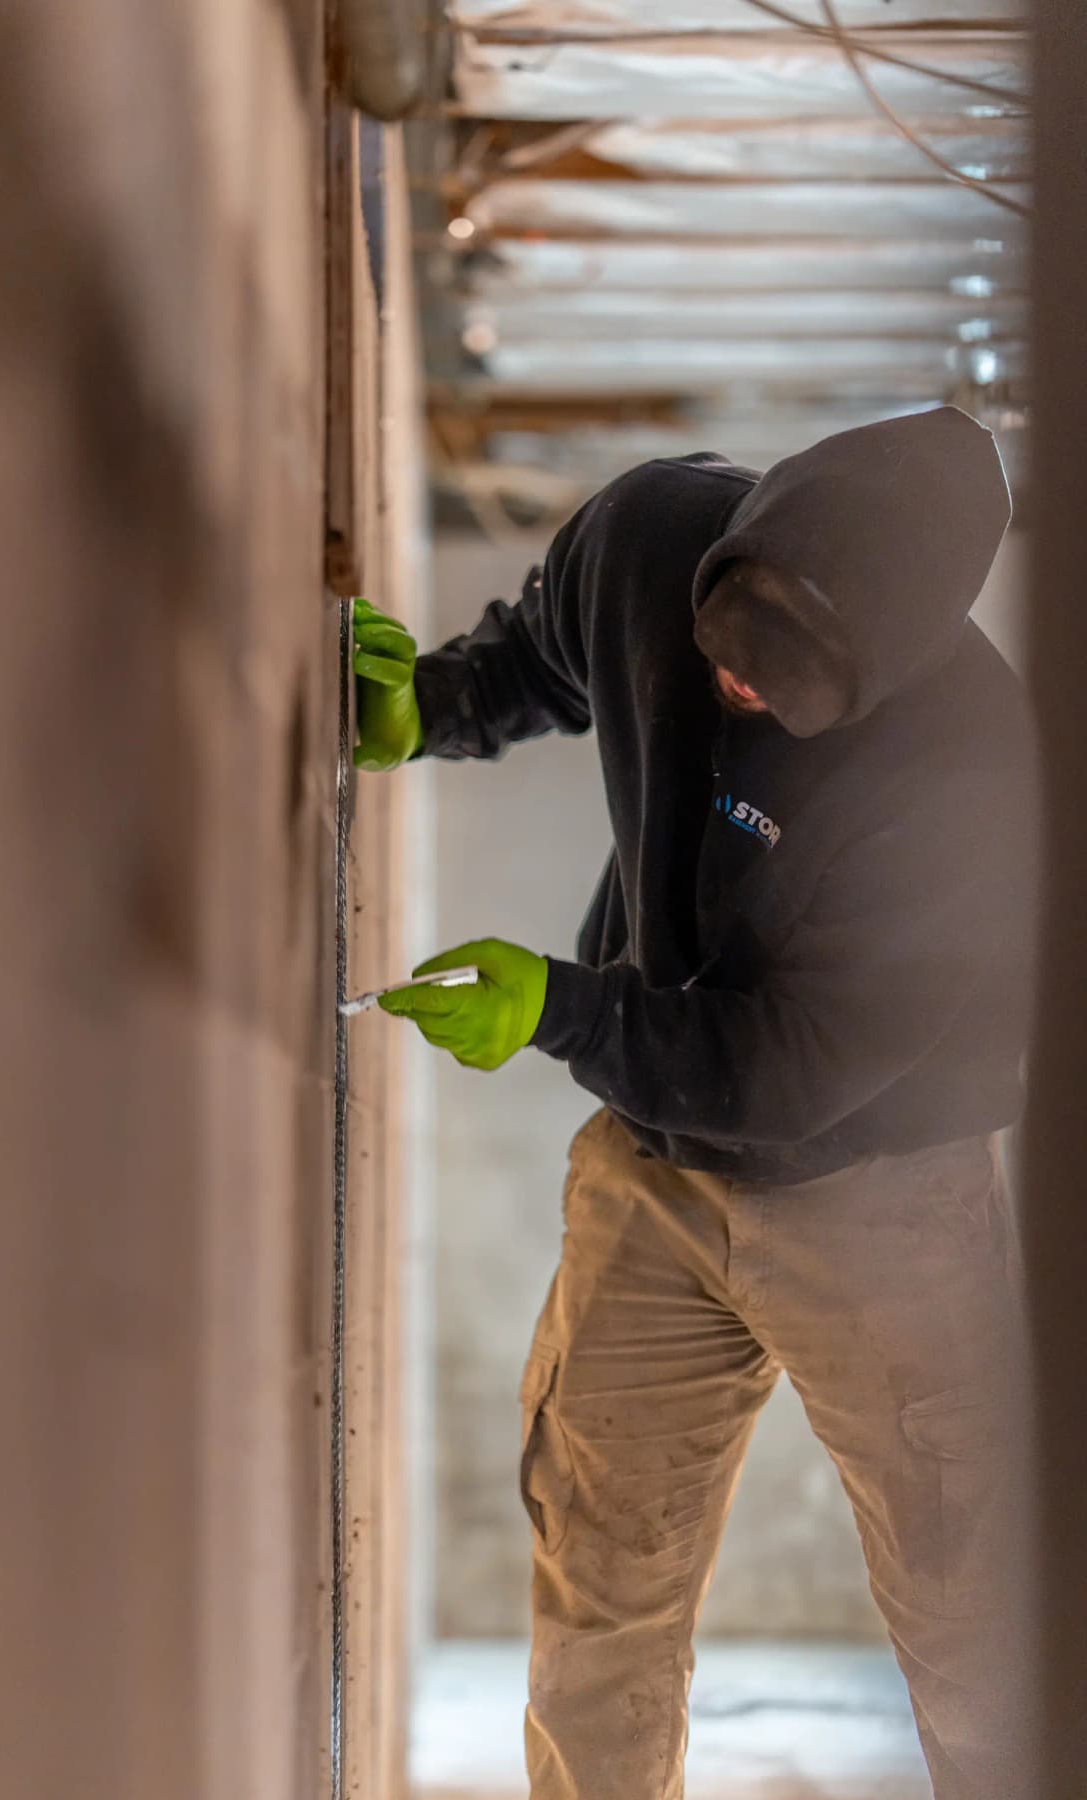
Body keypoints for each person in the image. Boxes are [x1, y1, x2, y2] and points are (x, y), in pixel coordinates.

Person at [355, 407, 1038, 1800]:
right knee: (599, 1572)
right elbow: (551, 649)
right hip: (654, 1172)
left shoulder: (975, 773)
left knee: (975, 1615)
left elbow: (791, 1068)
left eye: (781, 691)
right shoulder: (651, 533)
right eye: (725, 648)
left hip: (881, 1198)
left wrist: (565, 1010)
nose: (733, 688)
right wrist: (437, 704)